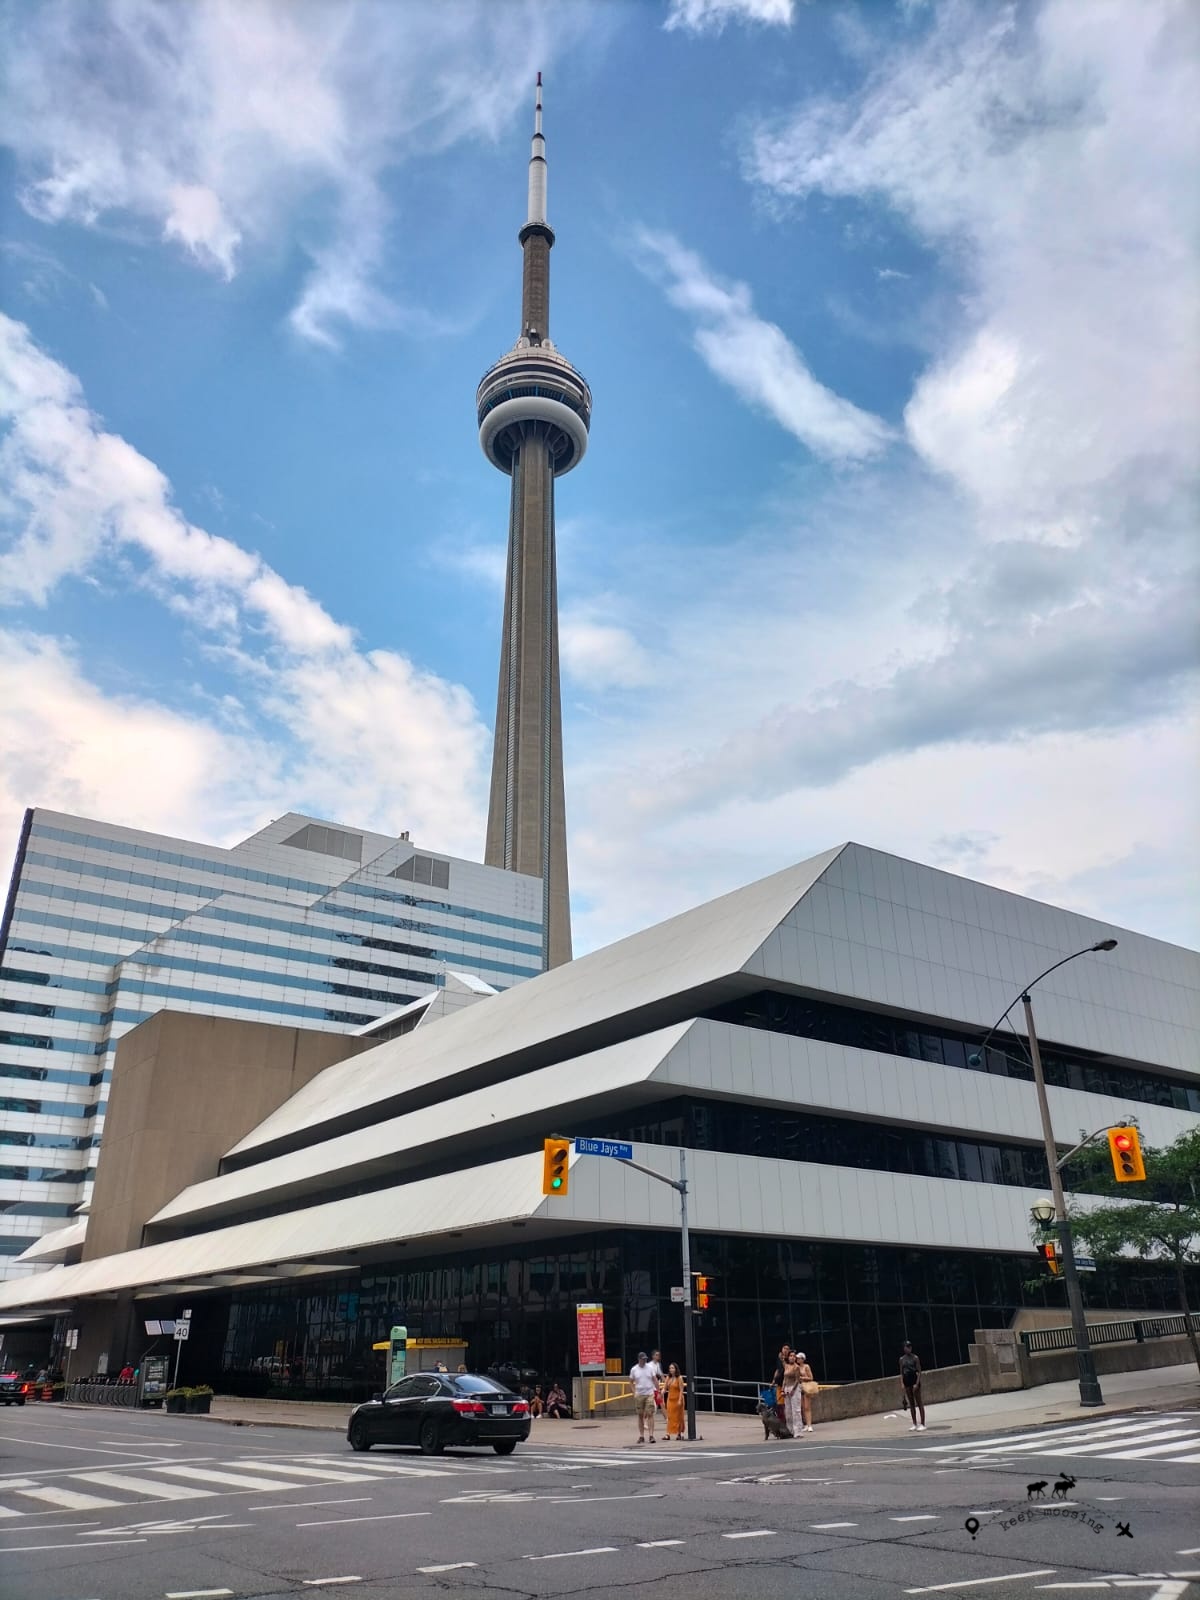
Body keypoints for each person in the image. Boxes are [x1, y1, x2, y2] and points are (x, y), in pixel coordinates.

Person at [629, 1351, 658, 1444]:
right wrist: (634, 1392)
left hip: (649, 1393)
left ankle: (651, 1435)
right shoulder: (634, 1369)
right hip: (639, 1394)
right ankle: (641, 1435)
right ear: (639, 1359)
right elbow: (630, 1381)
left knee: (650, 1414)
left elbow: (655, 1379)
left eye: (645, 1359)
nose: (644, 1361)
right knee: (640, 1415)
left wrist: (658, 1390)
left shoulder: (650, 1368)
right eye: (642, 1359)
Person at [900, 1341, 926, 1430]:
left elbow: (919, 1371)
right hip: (907, 1381)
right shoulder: (902, 1359)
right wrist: (902, 1383)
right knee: (911, 1403)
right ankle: (914, 1423)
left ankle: (922, 1423)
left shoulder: (915, 1358)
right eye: (906, 1347)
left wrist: (917, 1383)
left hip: (914, 1380)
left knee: (919, 1402)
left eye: (909, 1347)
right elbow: (901, 1373)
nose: (908, 1348)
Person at [781, 1349, 803, 1438]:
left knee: (796, 1410)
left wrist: (793, 1390)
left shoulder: (796, 1367)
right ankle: (790, 1430)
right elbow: (784, 1379)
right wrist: (782, 1390)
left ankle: (798, 1431)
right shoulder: (786, 1366)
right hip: (787, 1387)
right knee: (788, 1411)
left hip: (794, 1388)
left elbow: (798, 1380)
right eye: (791, 1356)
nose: (792, 1358)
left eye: (794, 1356)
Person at [795, 1351, 817, 1434]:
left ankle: (810, 1425)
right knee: (802, 1407)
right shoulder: (796, 1367)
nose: (797, 1359)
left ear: (802, 1359)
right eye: (797, 1358)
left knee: (807, 1407)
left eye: (799, 1358)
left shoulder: (806, 1366)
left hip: (806, 1387)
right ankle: (806, 1425)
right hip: (799, 1388)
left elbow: (811, 1377)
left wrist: (802, 1377)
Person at [663, 1362, 686, 1440]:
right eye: (670, 1368)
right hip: (670, 1399)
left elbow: (681, 1390)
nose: (671, 1370)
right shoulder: (668, 1378)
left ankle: (679, 1433)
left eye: (672, 1368)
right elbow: (665, 1388)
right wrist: (662, 1392)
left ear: (676, 1369)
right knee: (670, 1417)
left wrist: (680, 1400)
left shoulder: (679, 1378)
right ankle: (667, 1434)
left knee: (678, 1417)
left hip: (678, 1399)